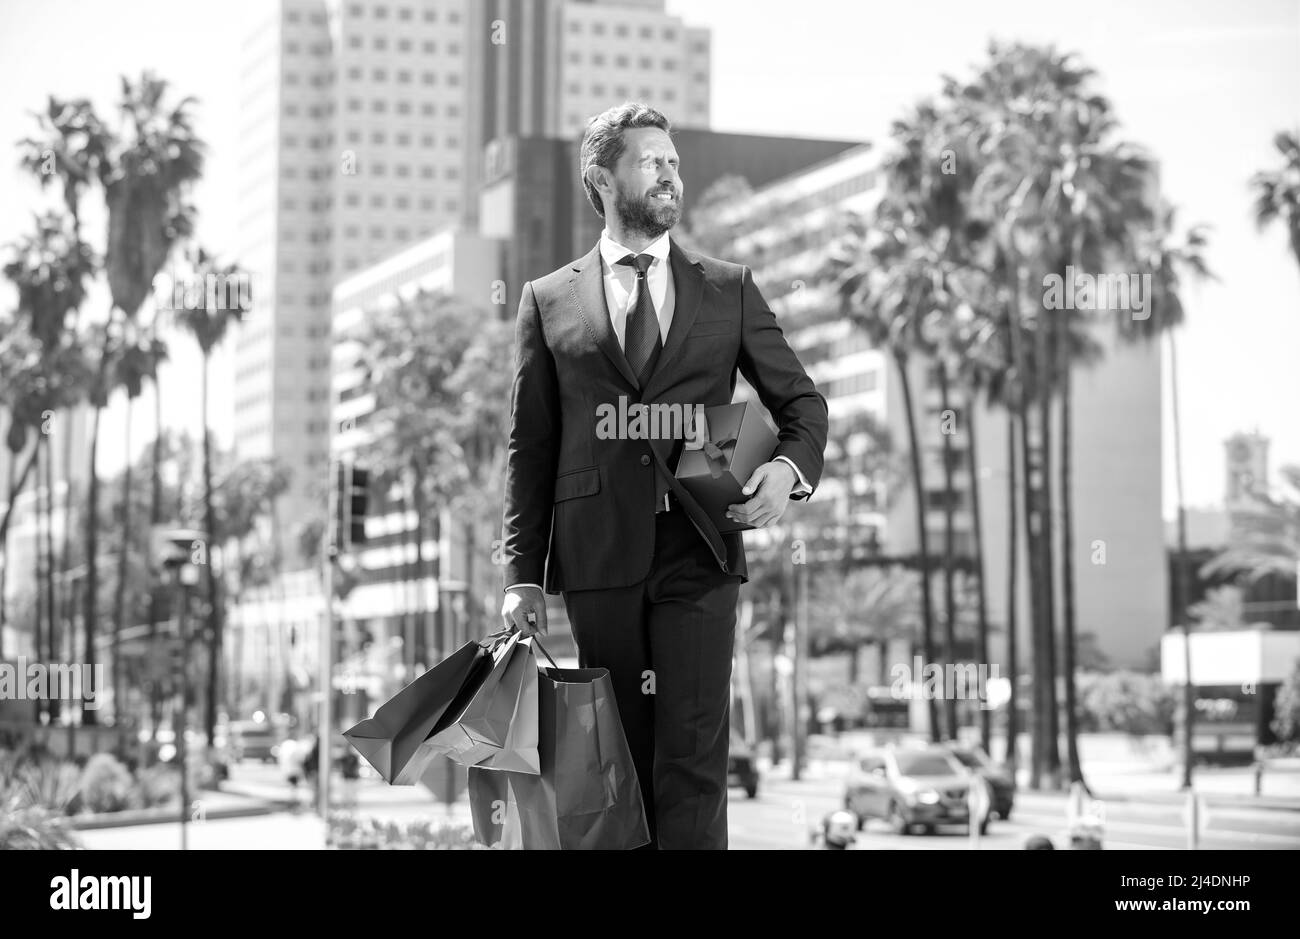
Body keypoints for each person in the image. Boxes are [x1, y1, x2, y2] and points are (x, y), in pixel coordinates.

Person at [499, 103, 828, 850]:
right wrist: (521, 573)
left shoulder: (727, 287)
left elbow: (801, 402)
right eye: (652, 161)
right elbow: (531, 447)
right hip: (598, 560)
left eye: (674, 161)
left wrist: (786, 471)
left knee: (693, 760)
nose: (671, 173)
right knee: (615, 761)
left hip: (701, 553)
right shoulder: (548, 300)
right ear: (602, 179)